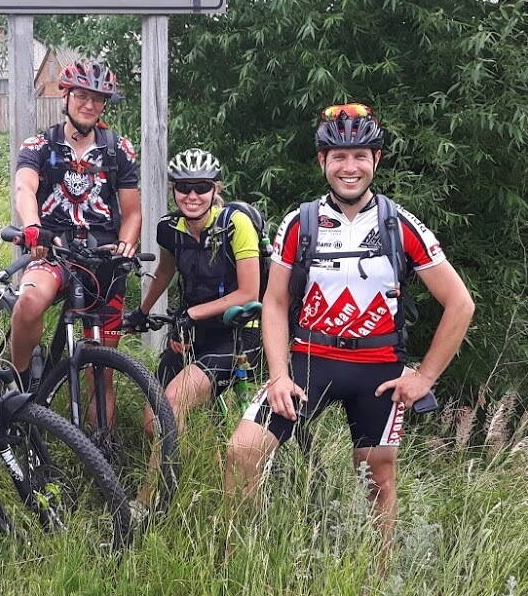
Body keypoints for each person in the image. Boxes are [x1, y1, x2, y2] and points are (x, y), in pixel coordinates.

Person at [224, 103, 474, 544]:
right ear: (323, 161)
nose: (350, 167)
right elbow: (276, 302)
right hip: (310, 361)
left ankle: (376, 578)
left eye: (360, 155)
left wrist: (425, 378)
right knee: (243, 451)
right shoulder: (300, 223)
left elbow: (460, 304)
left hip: (377, 370)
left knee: (378, 478)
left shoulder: (400, 225)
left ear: (376, 159)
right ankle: (244, 559)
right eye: (338, 156)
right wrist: (278, 376)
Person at [8, 61, 142, 390]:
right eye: (82, 96)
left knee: (102, 372)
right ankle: (18, 381)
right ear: (65, 96)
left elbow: (132, 212)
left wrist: (126, 244)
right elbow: (24, 188)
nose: (89, 105)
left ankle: (100, 428)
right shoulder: (39, 145)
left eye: (98, 99)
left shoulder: (119, 149)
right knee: (30, 301)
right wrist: (33, 227)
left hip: (102, 258)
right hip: (53, 250)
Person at [125, 148, 261, 431]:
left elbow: (249, 292)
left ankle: (172, 466)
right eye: (184, 187)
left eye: (201, 187)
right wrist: (142, 311)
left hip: (236, 332)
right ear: (173, 190)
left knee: (173, 403)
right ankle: (192, 455)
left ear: (215, 190)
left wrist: (192, 314)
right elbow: (165, 272)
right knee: (152, 423)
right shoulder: (169, 229)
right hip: (191, 334)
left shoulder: (235, 224)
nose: (192, 196)